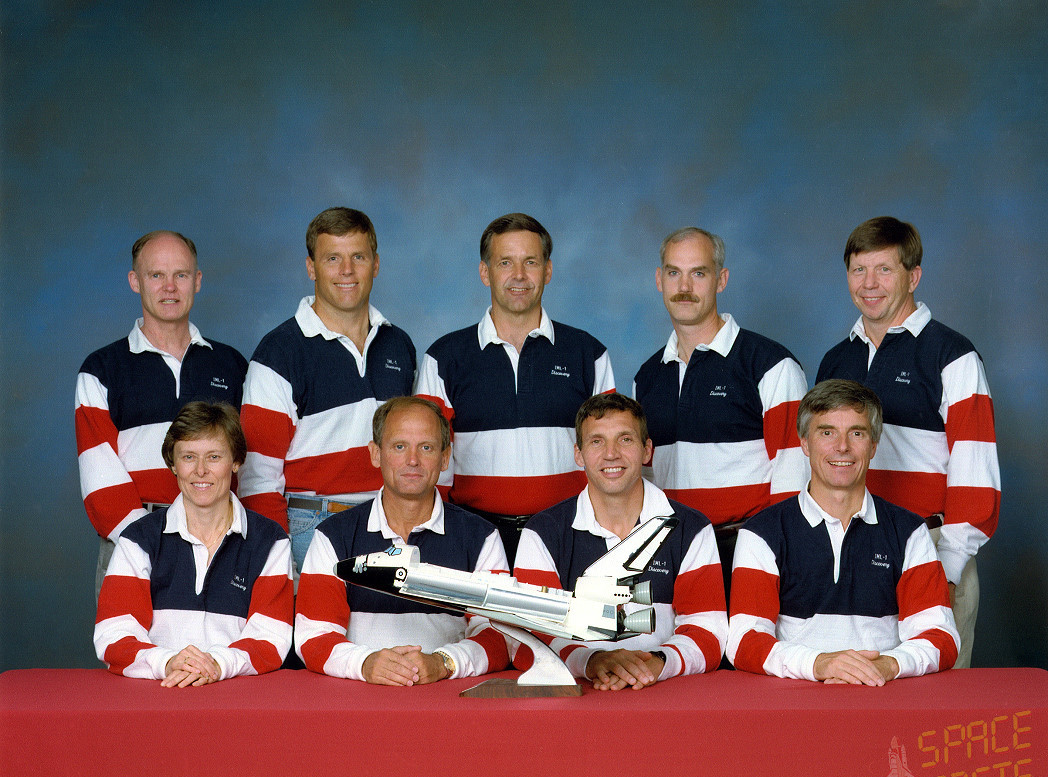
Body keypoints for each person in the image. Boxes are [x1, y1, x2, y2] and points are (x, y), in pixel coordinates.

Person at [816, 217, 999, 668]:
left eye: (884, 270)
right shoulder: (836, 360)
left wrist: (947, 568)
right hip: (849, 549)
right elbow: (821, 462)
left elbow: (975, 472)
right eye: (859, 270)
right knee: (855, 690)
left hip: (932, 550)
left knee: (935, 701)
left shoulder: (952, 356)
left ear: (913, 276)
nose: (869, 284)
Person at [727, 380, 959, 684]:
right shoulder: (761, 534)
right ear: (804, 443)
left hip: (881, 692)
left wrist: (887, 665)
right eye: (827, 433)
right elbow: (744, 640)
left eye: (857, 433)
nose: (842, 447)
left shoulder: (909, 532)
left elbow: (941, 636)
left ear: (873, 446)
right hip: (794, 695)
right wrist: (820, 665)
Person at [415, 213, 615, 564]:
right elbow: (430, 460)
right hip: (474, 537)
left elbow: (608, 454)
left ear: (548, 271)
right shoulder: (444, 358)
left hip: (568, 536)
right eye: (505, 262)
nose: (519, 275)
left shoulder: (588, 354)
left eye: (530, 262)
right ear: (485, 272)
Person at [238, 207, 416, 576]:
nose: (346, 270)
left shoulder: (398, 345)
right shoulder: (278, 353)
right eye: (332, 258)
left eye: (358, 257)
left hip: (391, 525)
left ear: (376, 264)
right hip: (310, 526)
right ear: (311, 268)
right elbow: (257, 478)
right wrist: (277, 562)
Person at [633, 227, 807, 602]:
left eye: (698, 273)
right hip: (671, 553)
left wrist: (779, 557)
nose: (684, 287)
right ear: (659, 280)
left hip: (747, 551)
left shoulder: (771, 365)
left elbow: (794, 473)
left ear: (721, 279)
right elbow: (643, 481)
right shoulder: (646, 378)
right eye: (674, 272)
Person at [76, 231, 247, 599]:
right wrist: (157, 545)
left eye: (181, 275)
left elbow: (246, 467)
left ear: (197, 281)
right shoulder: (102, 369)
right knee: (130, 640)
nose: (170, 287)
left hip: (219, 547)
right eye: (156, 275)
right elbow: (100, 481)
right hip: (132, 547)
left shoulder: (231, 365)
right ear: (135, 281)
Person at [514, 393, 726, 690]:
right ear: (579, 454)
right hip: (579, 694)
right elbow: (528, 634)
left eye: (625, 439)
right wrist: (592, 661)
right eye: (596, 441)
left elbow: (708, 630)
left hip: (663, 691)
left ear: (647, 450)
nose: (611, 454)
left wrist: (657, 662)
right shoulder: (542, 533)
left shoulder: (692, 528)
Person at [294, 397, 509, 684]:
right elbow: (313, 635)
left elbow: (499, 635)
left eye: (426, 447)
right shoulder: (333, 536)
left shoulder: (482, 537)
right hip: (358, 697)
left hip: (448, 697)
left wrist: (443, 662)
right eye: (399, 446)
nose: (413, 460)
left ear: (445, 457)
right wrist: (365, 664)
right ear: (375, 453)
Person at [94, 401, 294, 686]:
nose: (201, 471)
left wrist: (217, 664)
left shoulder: (271, 541)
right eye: (188, 457)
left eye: (214, 457)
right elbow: (113, 633)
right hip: (158, 692)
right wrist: (168, 662)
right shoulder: (137, 540)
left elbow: (271, 638)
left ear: (236, 462)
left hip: (237, 694)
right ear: (173, 465)